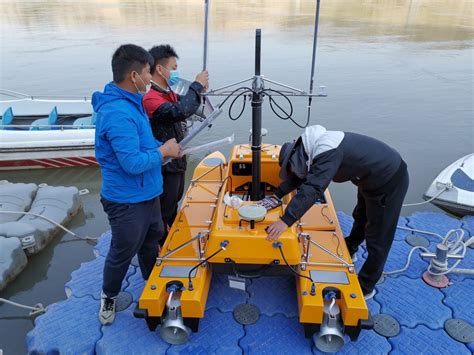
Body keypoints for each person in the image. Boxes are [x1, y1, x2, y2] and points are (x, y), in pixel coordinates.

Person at [264, 125, 409, 300]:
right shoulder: (311, 146)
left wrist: (285, 220)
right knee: (361, 216)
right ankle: (351, 247)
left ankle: (366, 285)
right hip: (367, 179)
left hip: (388, 180)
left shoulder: (327, 151)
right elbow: (300, 177)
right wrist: (276, 196)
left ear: (297, 155)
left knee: (378, 236)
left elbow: (314, 187)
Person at [93, 44, 181, 325]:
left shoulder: (133, 102)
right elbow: (131, 163)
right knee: (123, 249)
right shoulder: (117, 113)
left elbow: (144, 145)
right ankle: (108, 297)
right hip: (126, 200)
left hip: (148, 193)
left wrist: (163, 149)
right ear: (134, 75)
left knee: (151, 240)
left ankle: (151, 283)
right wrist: (163, 153)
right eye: (147, 72)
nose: (150, 77)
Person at [142, 44, 209, 238]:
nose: (175, 72)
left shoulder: (168, 92)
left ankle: (173, 231)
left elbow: (189, 104)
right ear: (160, 69)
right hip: (166, 164)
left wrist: (200, 91)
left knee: (176, 199)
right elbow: (180, 111)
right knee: (165, 206)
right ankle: (161, 243)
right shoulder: (151, 98)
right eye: (173, 67)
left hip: (178, 159)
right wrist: (195, 85)